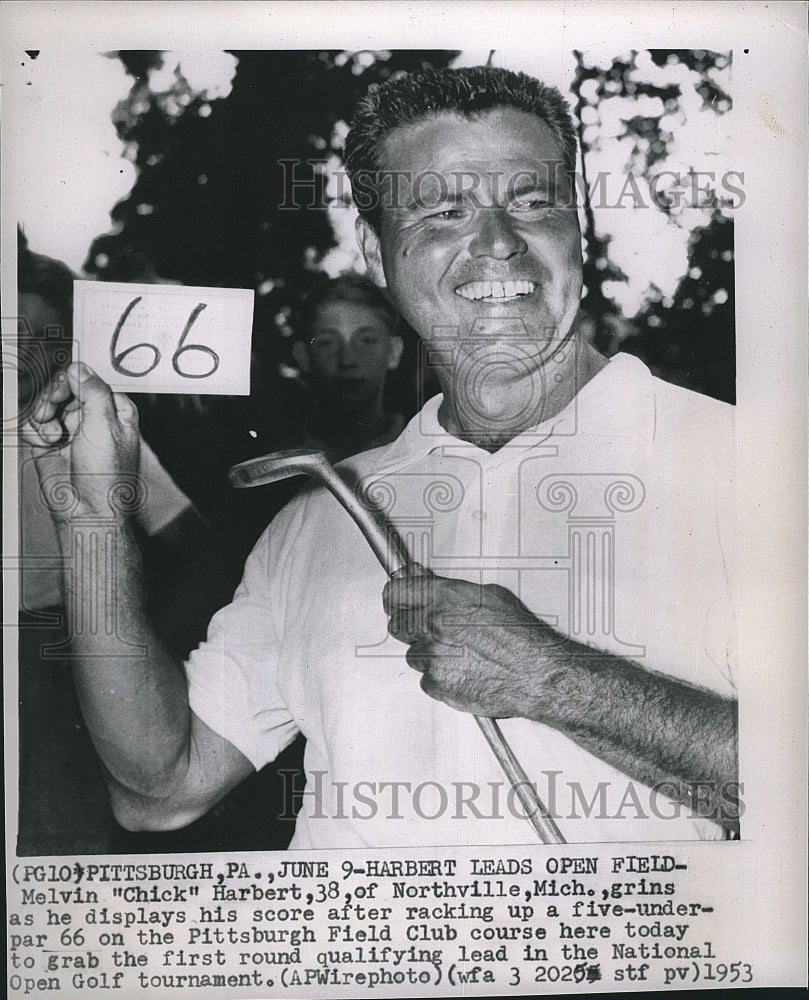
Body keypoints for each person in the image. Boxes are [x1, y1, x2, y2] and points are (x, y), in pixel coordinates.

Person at [21, 66, 738, 848]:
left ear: (580, 229)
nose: (498, 243)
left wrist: (556, 681)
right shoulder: (320, 513)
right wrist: (90, 519)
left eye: (533, 203)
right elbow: (159, 787)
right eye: (441, 211)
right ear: (375, 248)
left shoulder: (752, 466)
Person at [15, 235, 228, 853]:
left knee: (58, 836)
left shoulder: (85, 432)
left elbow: (202, 553)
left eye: (47, 341)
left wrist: (134, 641)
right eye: (14, 334)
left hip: (56, 658)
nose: (26, 356)